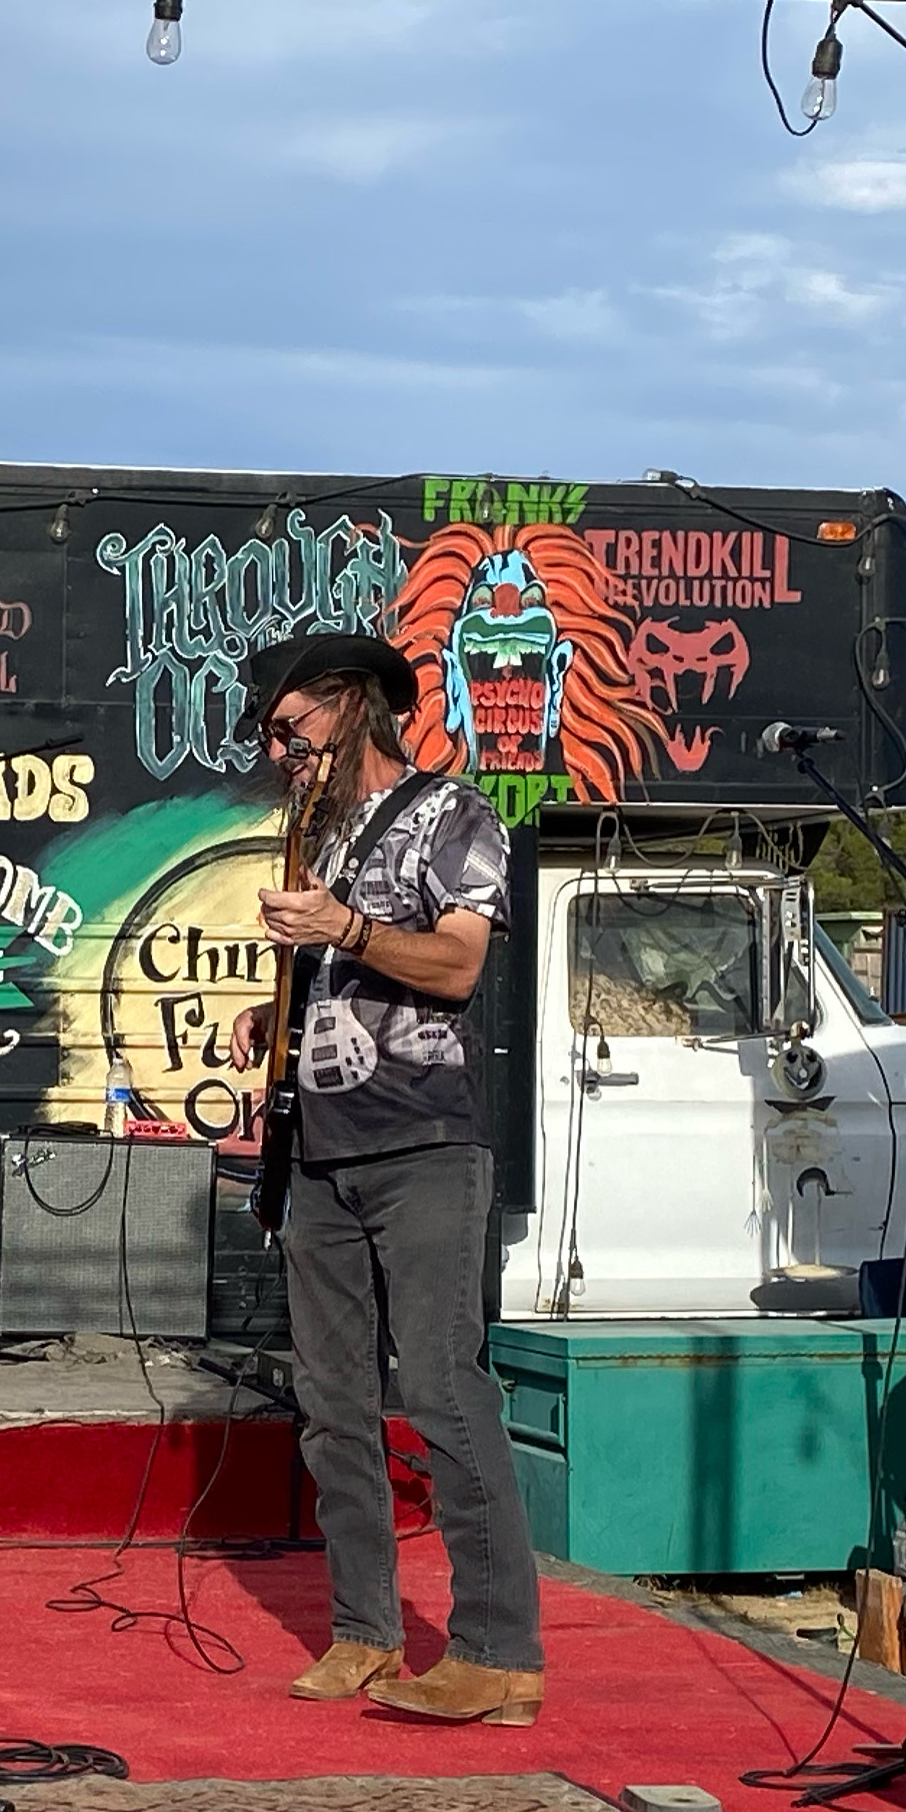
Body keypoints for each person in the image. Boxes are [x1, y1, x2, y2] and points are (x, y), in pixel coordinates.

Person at [225, 634, 544, 1726]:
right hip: (319, 1149)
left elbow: (456, 964)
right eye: (270, 737)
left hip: (423, 1146)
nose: (280, 752)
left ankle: (499, 1650)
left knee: (445, 1390)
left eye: (291, 728)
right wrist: (277, 1011)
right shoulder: (321, 831)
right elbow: (348, 976)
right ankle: (365, 1629)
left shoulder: (453, 814)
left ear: (350, 705)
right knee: (332, 1404)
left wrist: (347, 927)